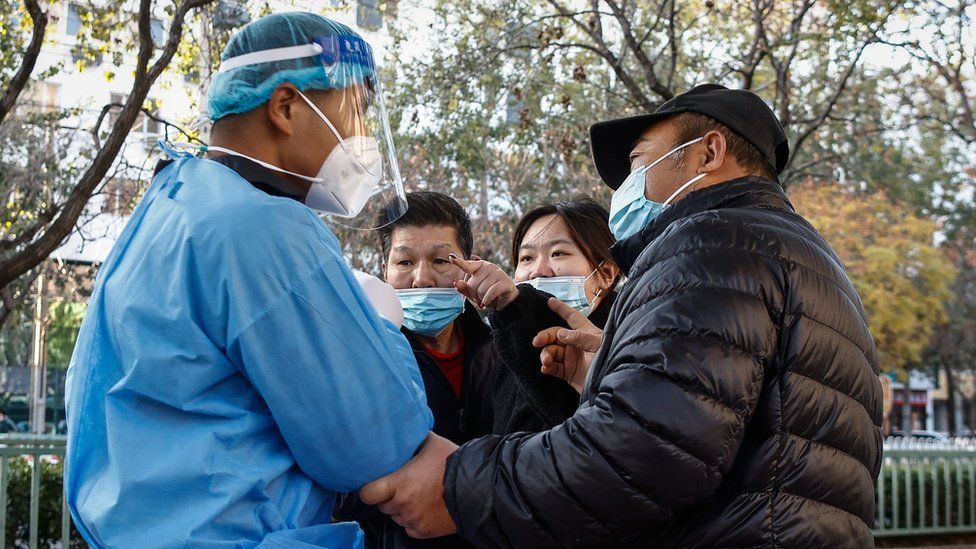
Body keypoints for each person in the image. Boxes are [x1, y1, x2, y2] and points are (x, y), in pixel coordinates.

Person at [361, 84, 884, 548]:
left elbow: (642, 457)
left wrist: (458, 486)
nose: (627, 189)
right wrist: (606, 382)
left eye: (639, 164)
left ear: (709, 151)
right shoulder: (800, 255)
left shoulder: (710, 248)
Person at [65, 13, 436, 548]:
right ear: (286, 106)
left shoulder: (171, 205)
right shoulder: (263, 226)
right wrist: (380, 333)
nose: (363, 137)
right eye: (355, 110)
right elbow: (374, 442)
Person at [334, 191, 492, 549]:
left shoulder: (505, 354)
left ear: (470, 265)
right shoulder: (359, 360)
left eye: (440, 260)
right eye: (405, 263)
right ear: (384, 271)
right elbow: (340, 490)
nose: (422, 279)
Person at [450, 196, 620, 434]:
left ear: (605, 274)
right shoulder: (500, 352)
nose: (537, 271)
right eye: (527, 258)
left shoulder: (631, 347)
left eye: (558, 253)